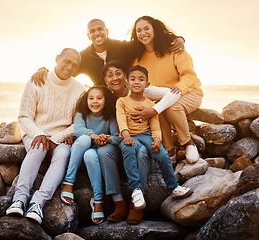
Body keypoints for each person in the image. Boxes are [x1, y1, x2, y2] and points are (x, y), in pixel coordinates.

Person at [5, 48, 85, 225]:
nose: (70, 67)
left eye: (75, 65)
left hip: (61, 138)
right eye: (67, 62)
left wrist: (56, 138)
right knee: (38, 148)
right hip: (36, 132)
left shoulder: (79, 89)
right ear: (57, 59)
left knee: (63, 154)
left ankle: (37, 203)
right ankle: (19, 199)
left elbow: (76, 124)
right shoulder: (37, 81)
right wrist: (40, 134)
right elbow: (24, 116)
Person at [116, 65, 193, 224]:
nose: (137, 82)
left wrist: (157, 140)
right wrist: (126, 135)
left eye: (141, 79)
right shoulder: (122, 101)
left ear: (147, 84)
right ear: (127, 82)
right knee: (129, 151)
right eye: (133, 79)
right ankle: (136, 190)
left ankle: (173, 188)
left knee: (162, 154)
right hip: (129, 136)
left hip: (145, 135)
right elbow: (121, 120)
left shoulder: (150, 104)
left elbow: (155, 126)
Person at [128, 16, 204, 165]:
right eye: (138, 30)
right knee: (159, 107)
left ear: (155, 30)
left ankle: (188, 143)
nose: (143, 33)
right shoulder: (138, 58)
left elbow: (189, 75)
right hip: (162, 97)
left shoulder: (174, 48)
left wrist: (180, 88)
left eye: (146, 28)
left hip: (189, 92)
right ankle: (169, 151)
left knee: (170, 106)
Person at [31, 18, 185, 86]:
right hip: (102, 98)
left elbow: (145, 39)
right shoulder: (83, 56)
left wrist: (178, 38)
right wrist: (43, 70)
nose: (97, 33)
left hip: (125, 95)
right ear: (88, 36)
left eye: (100, 29)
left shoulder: (123, 47)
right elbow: (65, 70)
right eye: (92, 31)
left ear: (107, 31)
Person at [60, 85, 122, 225]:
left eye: (99, 98)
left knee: (90, 155)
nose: (95, 102)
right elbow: (78, 130)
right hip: (79, 152)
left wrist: (106, 139)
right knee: (84, 139)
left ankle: (98, 200)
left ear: (106, 100)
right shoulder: (83, 114)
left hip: (94, 154)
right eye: (91, 98)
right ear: (86, 100)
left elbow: (117, 138)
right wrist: (95, 137)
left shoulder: (109, 116)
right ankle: (68, 182)